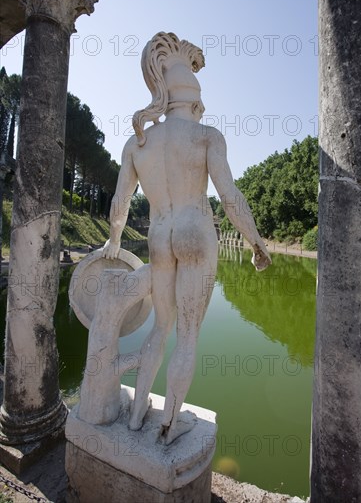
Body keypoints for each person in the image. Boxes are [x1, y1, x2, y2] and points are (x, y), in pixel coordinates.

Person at [103, 32, 271, 444]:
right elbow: (230, 197)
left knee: (161, 328)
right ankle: (168, 425)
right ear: (194, 97)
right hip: (196, 231)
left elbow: (121, 200)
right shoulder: (207, 136)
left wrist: (113, 241)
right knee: (189, 335)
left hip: (159, 234)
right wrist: (256, 242)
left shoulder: (138, 142)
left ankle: (139, 415)